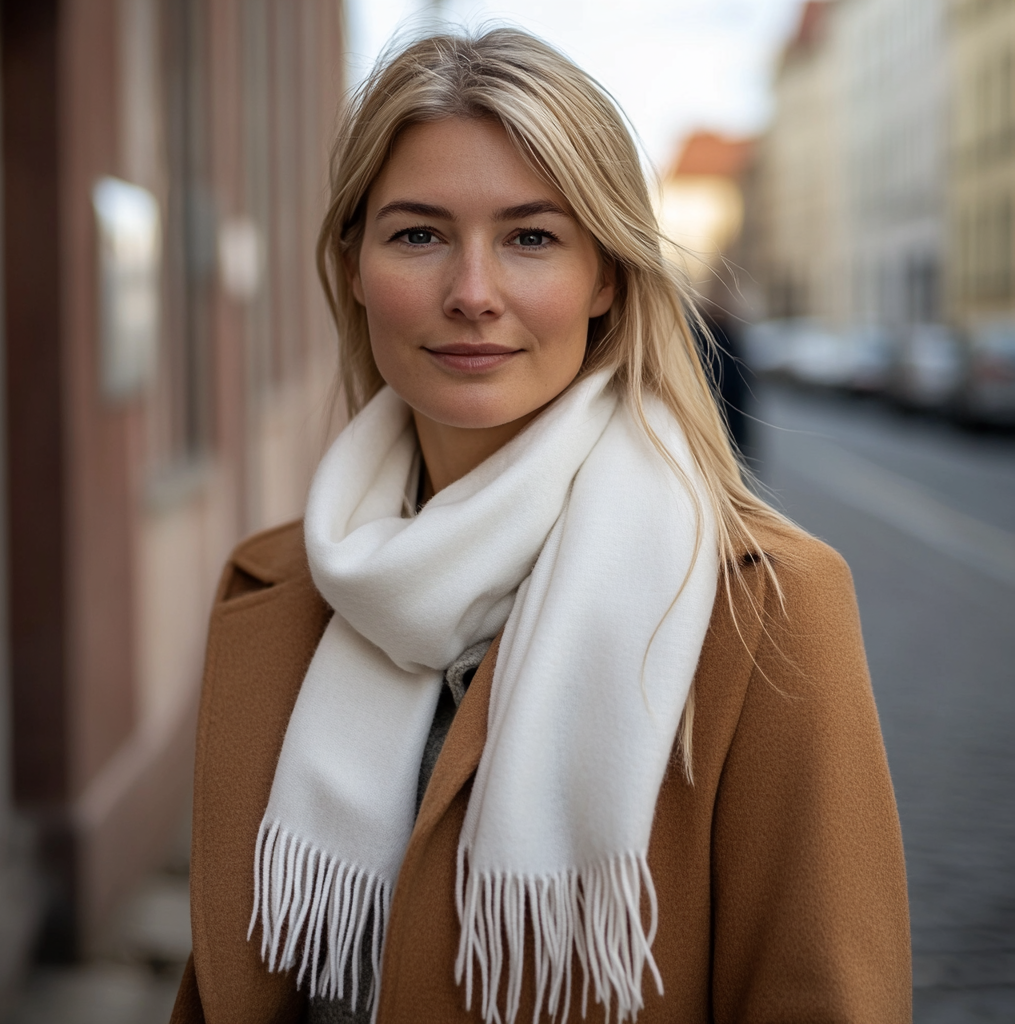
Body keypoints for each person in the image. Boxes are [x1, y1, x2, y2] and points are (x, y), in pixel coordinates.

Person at [170, 29, 911, 1024]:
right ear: (350, 266)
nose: (472, 294)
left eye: (530, 237)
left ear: (605, 276)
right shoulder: (279, 590)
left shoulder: (764, 606)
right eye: (417, 235)